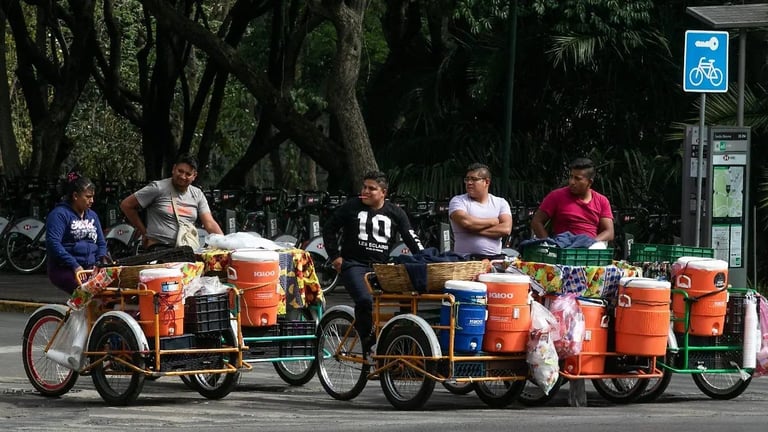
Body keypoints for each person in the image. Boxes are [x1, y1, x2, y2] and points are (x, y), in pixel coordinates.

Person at [322, 171, 424, 355]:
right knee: (364, 300)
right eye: (364, 187)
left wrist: (425, 258)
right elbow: (329, 228)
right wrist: (336, 257)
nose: (366, 191)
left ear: (383, 192)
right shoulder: (351, 206)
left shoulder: (396, 212)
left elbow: (412, 238)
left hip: (381, 267)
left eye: (372, 188)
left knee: (409, 298)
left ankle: (401, 343)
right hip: (353, 264)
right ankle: (369, 345)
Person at [120, 153, 223, 251]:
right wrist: (144, 232)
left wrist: (225, 244)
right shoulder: (158, 188)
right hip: (158, 249)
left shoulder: (197, 194)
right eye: (180, 171)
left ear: (194, 176)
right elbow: (126, 205)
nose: (183, 176)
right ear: (173, 169)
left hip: (185, 250)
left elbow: (209, 223)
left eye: (188, 174)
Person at [46, 173, 109, 294]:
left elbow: (101, 243)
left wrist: (99, 263)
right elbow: (53, 243)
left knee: (113, 292)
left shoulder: (92, 215)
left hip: (89, 268)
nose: (92, 201)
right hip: (65, 269)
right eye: (88, 197)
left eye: (93, 197)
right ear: (75, 196)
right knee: (89, 292)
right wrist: (74, 265)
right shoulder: (59, 214)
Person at [530, 157, 614, 242]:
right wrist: (548, 243)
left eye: (577, 179)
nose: (572, 182)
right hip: (563, 247)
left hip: (590, 249)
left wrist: (590, 243)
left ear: (590, 182)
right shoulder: (556, 196)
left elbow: (609, 232)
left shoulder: (602, 201)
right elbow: (536, 222)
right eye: (571, 177)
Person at [448, 163, 513, 259]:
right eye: (467, 179)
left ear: (486, 182)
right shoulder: (458, 201)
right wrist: (493, 221)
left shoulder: (501, 203)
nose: (469, 183)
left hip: (494, 260)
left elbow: (506, 229)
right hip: (465, 260)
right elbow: (467, 222)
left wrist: (472, 229)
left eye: (474, 179)